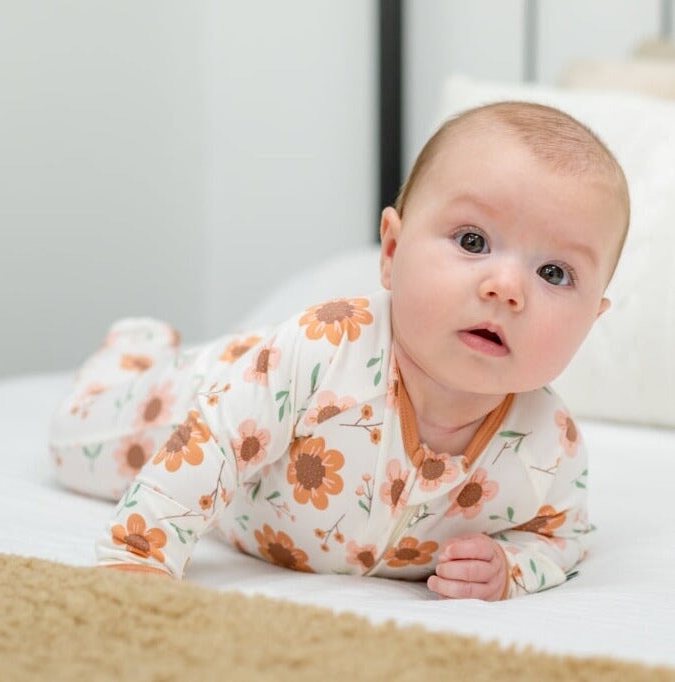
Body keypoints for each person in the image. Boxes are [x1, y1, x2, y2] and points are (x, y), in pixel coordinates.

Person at [49, 101, 630, 601]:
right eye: (473, 241)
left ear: (592, 320)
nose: (506, 287)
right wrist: (140, 553)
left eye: (554, 272)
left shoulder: (550, 447)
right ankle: (132, 352)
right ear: (392, 251)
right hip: (198, 401)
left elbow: (561, 539)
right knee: (73, 440)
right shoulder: (324, 354)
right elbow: (215, 439)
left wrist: (511, 569)